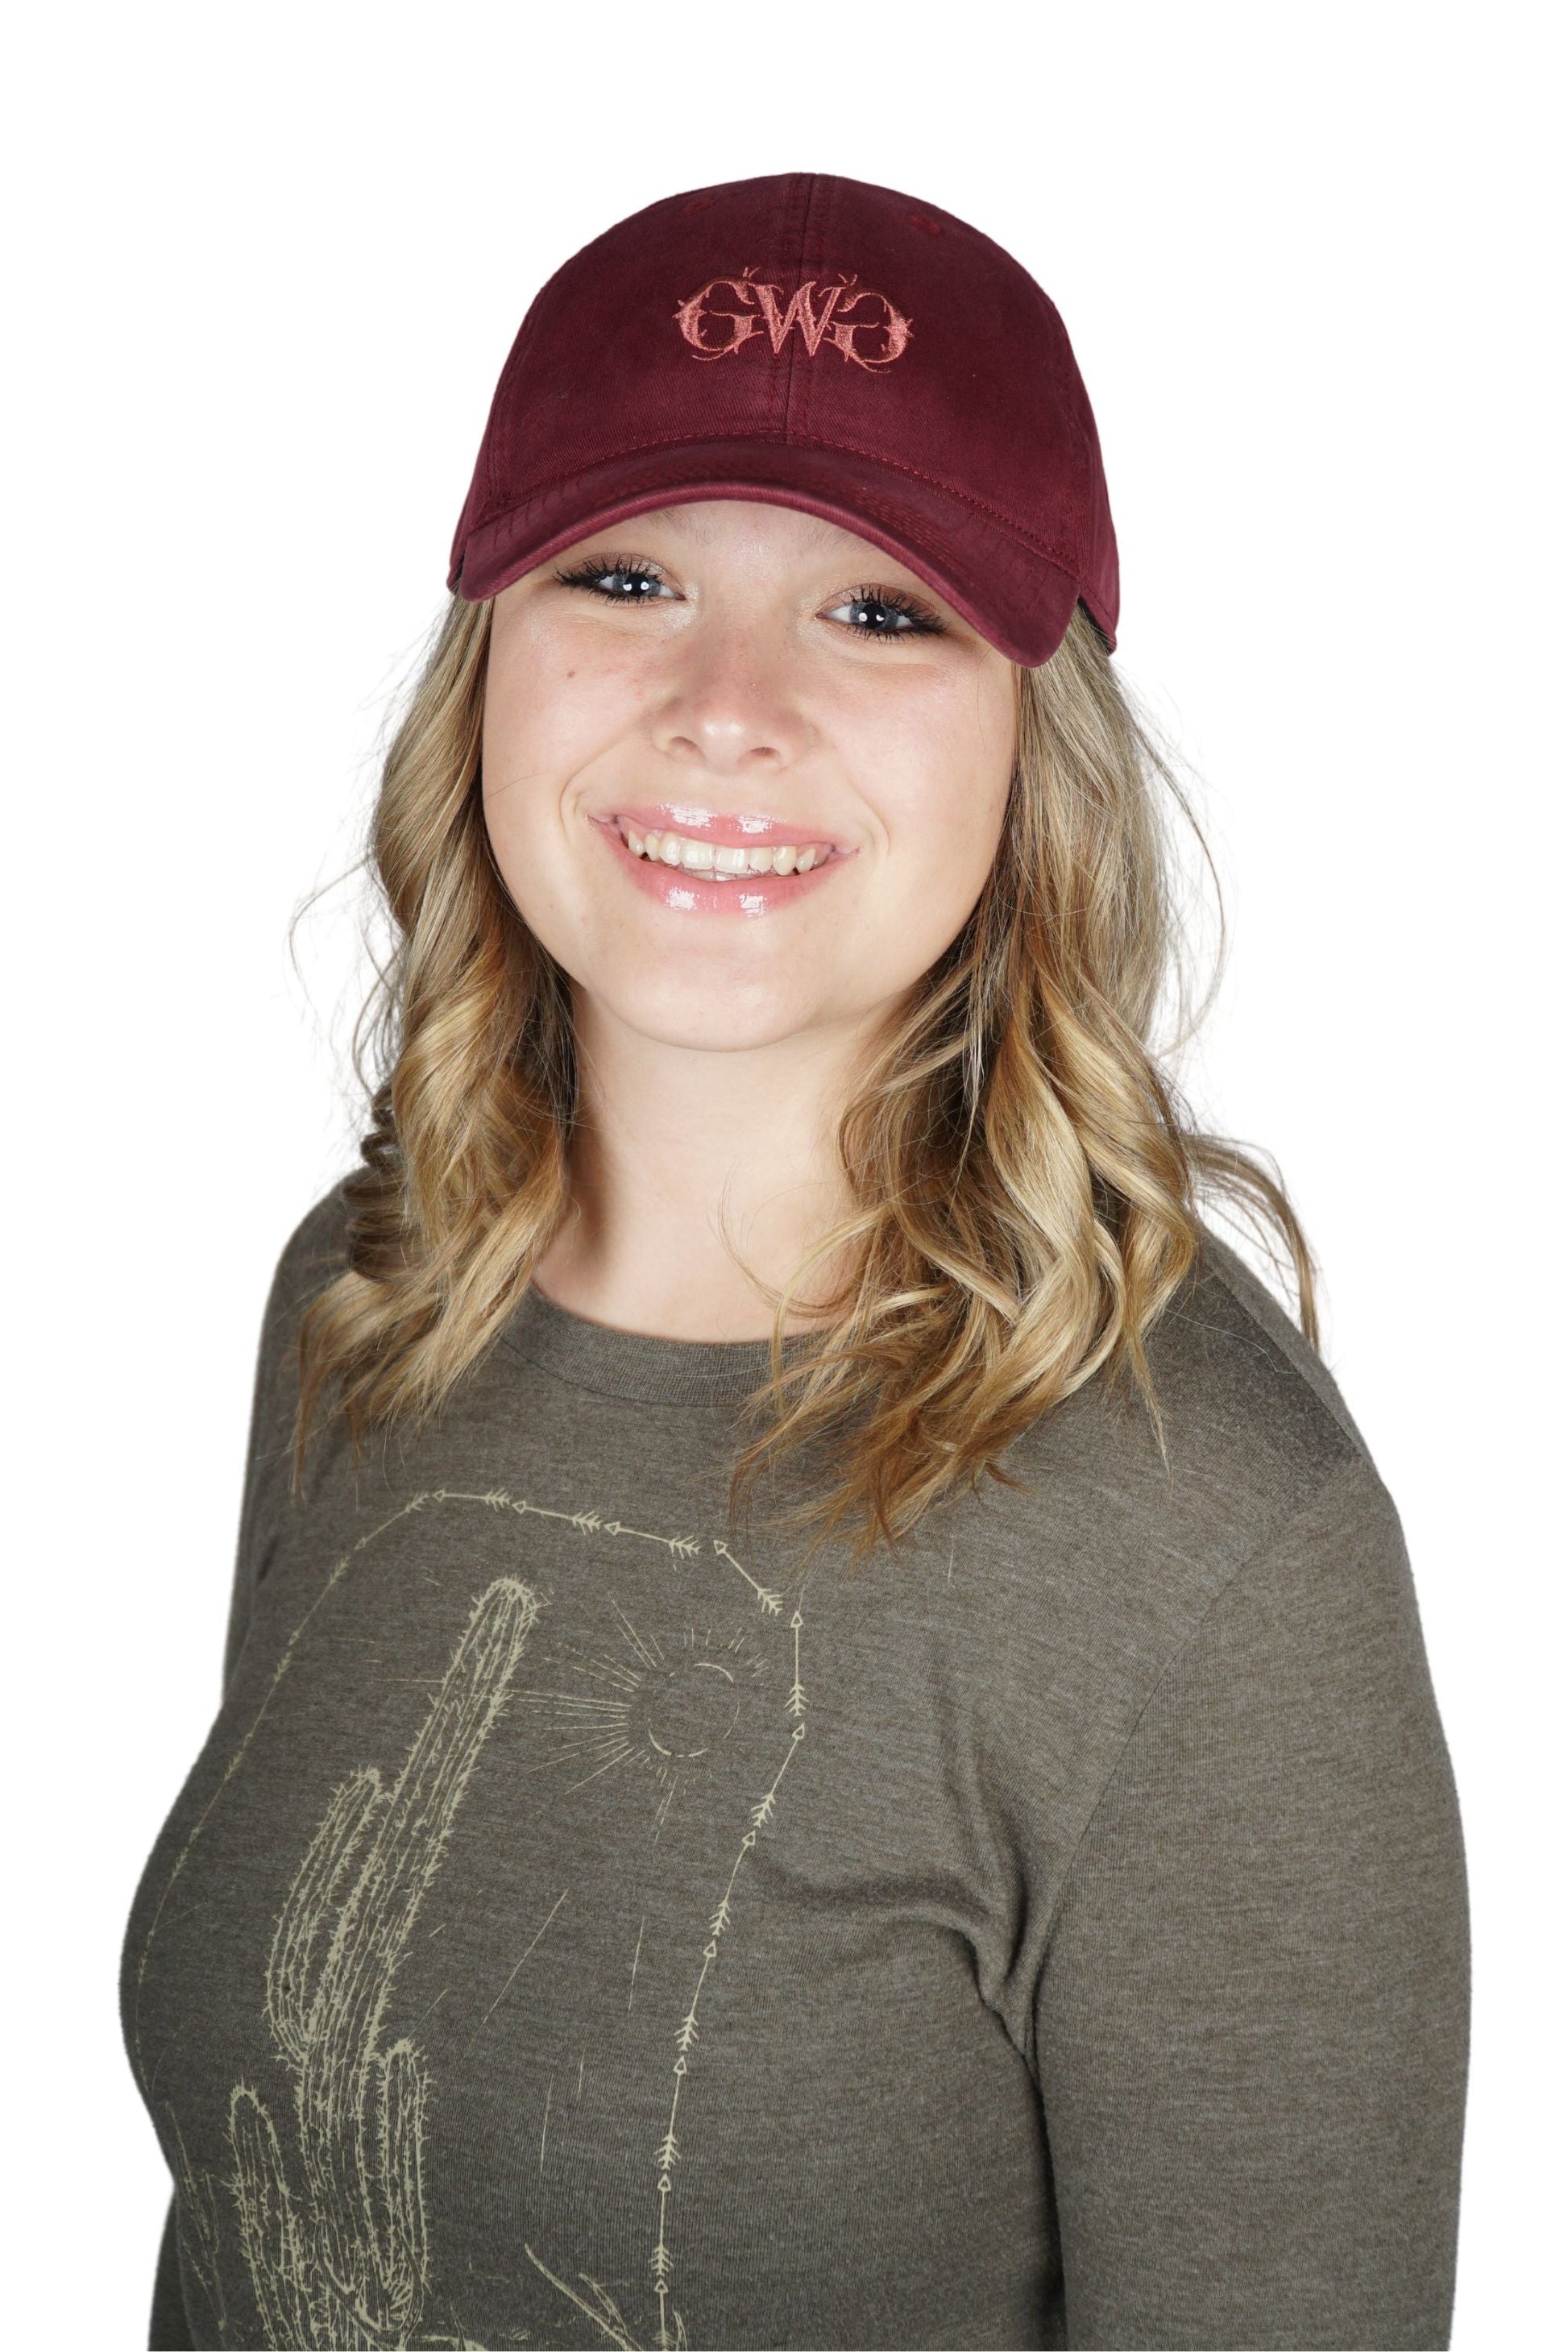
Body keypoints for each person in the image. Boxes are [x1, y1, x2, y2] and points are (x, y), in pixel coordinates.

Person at [118, 172, 1470, 2352]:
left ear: (1031, 736)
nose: (726, 703)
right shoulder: (371, 1300)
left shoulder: (1208, 1534)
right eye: (625, 575)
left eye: (877, 611)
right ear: (487, 665)